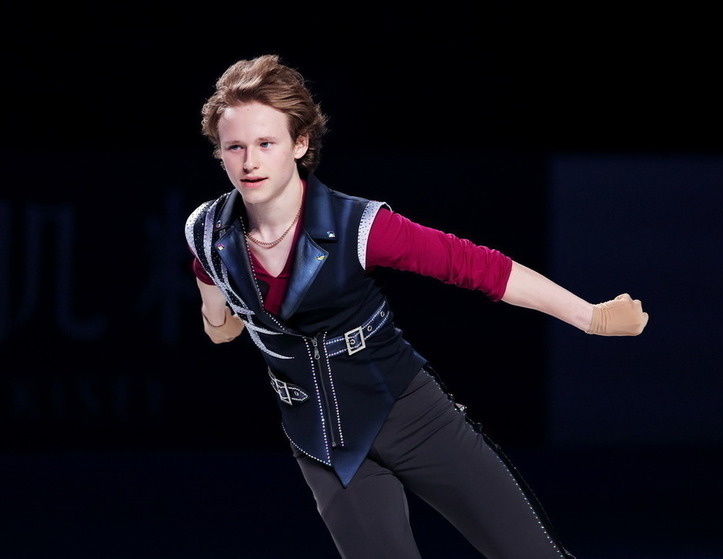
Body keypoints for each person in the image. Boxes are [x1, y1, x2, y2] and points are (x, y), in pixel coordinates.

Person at [185, 54, 648, 559]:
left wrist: (590, 315)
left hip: (412, 415)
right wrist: (217, 319)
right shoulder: (206, 230)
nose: (249, 162)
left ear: (300, 144)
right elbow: (210, 279)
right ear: (220, 152)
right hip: (321, 440)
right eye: (235, 147)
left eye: (265, 143)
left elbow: (475, 266)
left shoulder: (361, 226)